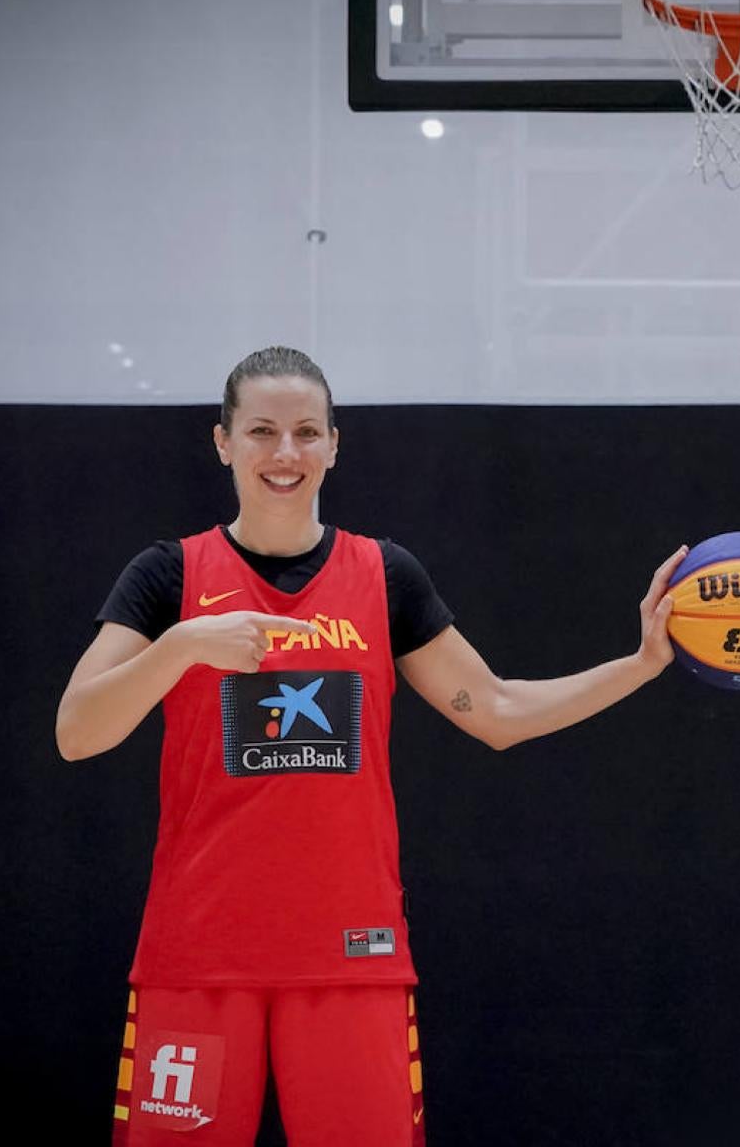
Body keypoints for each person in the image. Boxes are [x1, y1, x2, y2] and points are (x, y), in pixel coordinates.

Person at [56, 346, 684, 1146]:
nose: (285, 454)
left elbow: (493, 708)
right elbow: (77, 733)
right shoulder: (168, 576)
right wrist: (181, 646)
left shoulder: (383, 574)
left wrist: (640, 665)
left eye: (306, 432)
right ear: (223, 441)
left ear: (334, 444)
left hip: (353, 957)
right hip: (199, 955)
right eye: (262, 432)